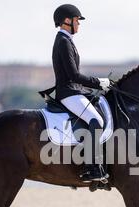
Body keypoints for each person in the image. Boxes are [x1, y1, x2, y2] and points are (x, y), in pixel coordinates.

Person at [52, 4, 110, 182]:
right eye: (77, 20)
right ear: (67, 21)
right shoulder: (63, 41)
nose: (79, 24)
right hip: (68, 93)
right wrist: (98, 82)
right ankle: (92, 168)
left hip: (74, 91)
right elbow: (73, 75)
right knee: (96, 120)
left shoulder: (67, 40)